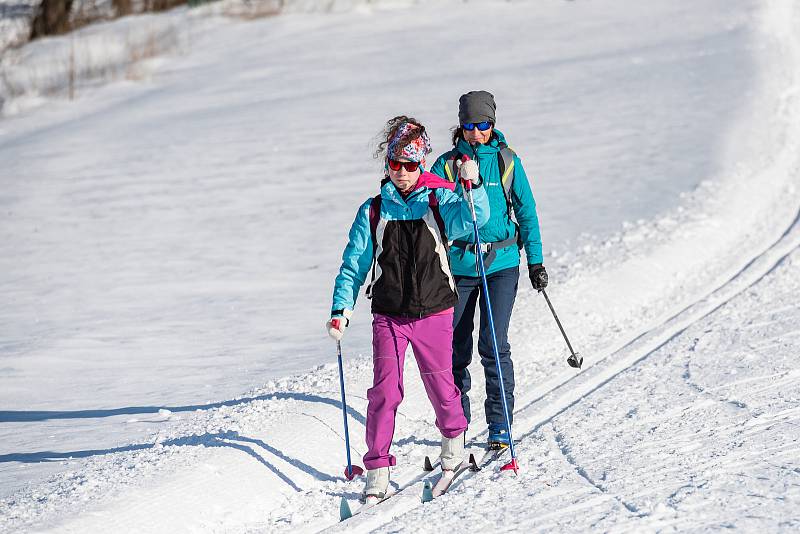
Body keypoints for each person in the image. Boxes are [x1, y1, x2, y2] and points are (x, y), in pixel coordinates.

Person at [326, 116, 489, 501]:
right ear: (387, 165)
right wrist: (340, 308)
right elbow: (354, 263)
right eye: (395, 165)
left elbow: (475, 219)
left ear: (421, 164)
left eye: (411, 165)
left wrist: (474, 185)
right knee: (384, 391)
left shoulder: (439, 199)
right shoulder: (374, 210)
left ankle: (453, 443)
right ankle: (377, 471)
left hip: (434, 310)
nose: (402, 173)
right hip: (389, 314)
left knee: (440, 384)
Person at [430, 91, 547, 449]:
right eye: (469, 126)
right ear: (461, 127)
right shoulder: (446, 165)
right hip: (461, 267)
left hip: (502, 263)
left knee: (493, 345)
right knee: (455, 348)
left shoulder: (507, 161)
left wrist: (536, 261)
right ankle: (458, 426)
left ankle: (500, 423)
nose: (477, 133)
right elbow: (429, 207)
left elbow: (526, 211)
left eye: (483, 125)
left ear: (492, 125)